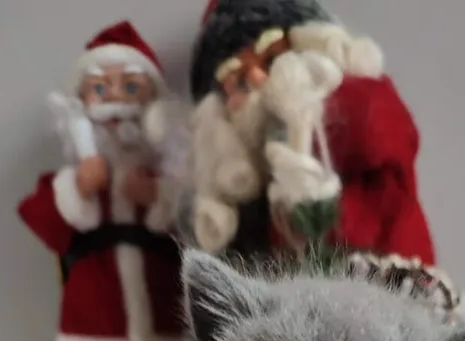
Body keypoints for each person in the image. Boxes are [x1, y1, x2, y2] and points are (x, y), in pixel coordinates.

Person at [18, 21, 184, 341]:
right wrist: (77, 189)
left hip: (158, 312)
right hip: (92, 315)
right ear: (83, 101)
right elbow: (44, 221)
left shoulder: (167, 178)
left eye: (130, 88)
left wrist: (158, 198)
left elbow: (197, 226)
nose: (115, 101)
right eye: (102, 88)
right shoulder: (67, 179)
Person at [187, 0, 436, 265]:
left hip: (394, 280)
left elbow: (378, 135)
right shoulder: (245, 197)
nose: (259, 80)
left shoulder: (360, 105)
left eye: (271, 59)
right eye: (239, 81)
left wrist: (296, 129)